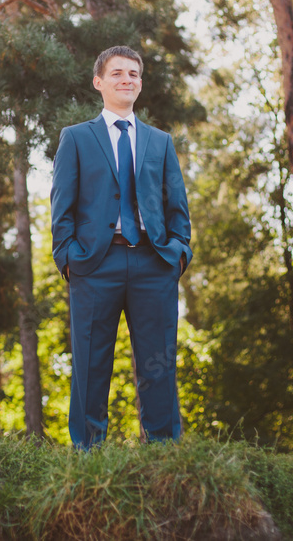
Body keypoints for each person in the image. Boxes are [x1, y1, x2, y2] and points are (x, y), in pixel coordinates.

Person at [50, 45, 192, 448]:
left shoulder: (160, 142)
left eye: (133, 74)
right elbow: (62, 206)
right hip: (95, 264)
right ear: (99, 82)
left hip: (154, 261)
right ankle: (87, 455)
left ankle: (165, 453)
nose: (126, 79)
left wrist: (178, 252)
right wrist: (69, 260)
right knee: (92, 364)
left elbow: (176, 204)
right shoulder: (76, 138)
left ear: (140, 84)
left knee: (158, 364)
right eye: (117, 73)